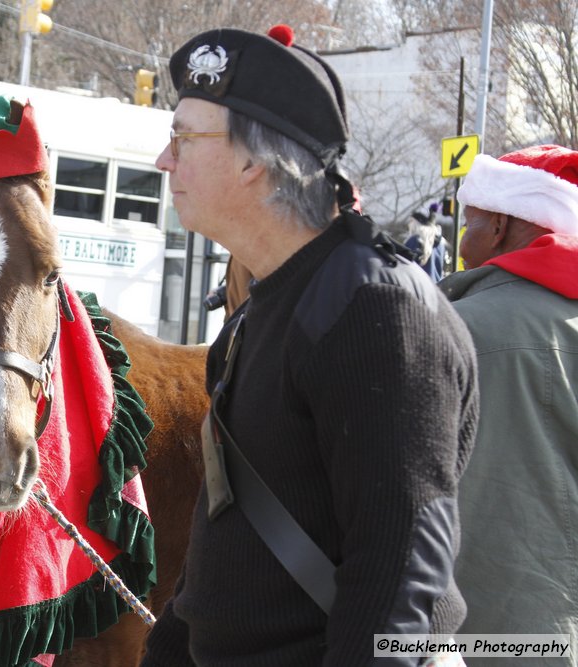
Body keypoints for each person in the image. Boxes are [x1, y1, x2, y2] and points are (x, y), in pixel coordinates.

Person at [141, 25, 478, 665]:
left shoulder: (377, 313)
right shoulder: (267, 306)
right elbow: (230, 539)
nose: (165, 159)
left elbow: (400, 583)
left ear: (254, 163)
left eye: (184, 137)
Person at [440, 144, 578, 664]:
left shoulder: (449, 329)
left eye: (469, 223)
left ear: (499, 225)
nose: (462, 242)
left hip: (476, 633)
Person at [404, 203, 450, 282]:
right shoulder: (441, 243)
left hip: (418, 287)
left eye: (412, 221)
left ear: (418, 222)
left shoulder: (414, 240)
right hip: (436, 288)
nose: (409, 224)